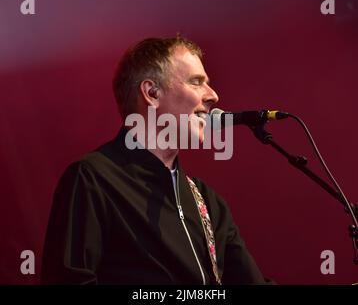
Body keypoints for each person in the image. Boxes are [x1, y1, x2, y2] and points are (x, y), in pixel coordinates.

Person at [41, 35, 271, 285]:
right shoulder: (93, 179)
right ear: (152, 92)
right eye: (196, 82)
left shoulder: (207, 201)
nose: (213, 95)